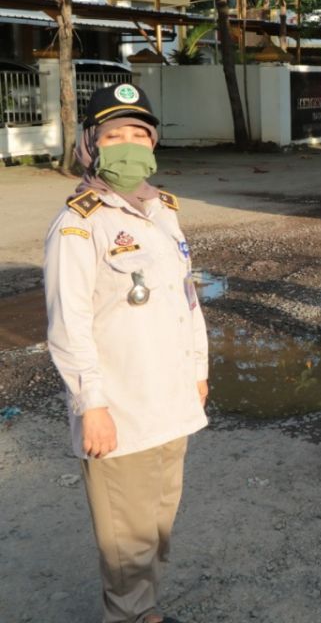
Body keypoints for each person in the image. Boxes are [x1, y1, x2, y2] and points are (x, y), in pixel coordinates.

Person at [43, 83, 208, 623]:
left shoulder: (161, 211)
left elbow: (186, 300)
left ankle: (146, 609)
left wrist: (199, 371)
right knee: (125, 534)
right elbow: (69, 326)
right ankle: (133, 615)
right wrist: (91, 404)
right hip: (120, 407)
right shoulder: (79, 224)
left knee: (158, 519)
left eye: (139, 133)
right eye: (115, 135)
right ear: (91, 145)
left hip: (170, 399)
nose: (129, 144)